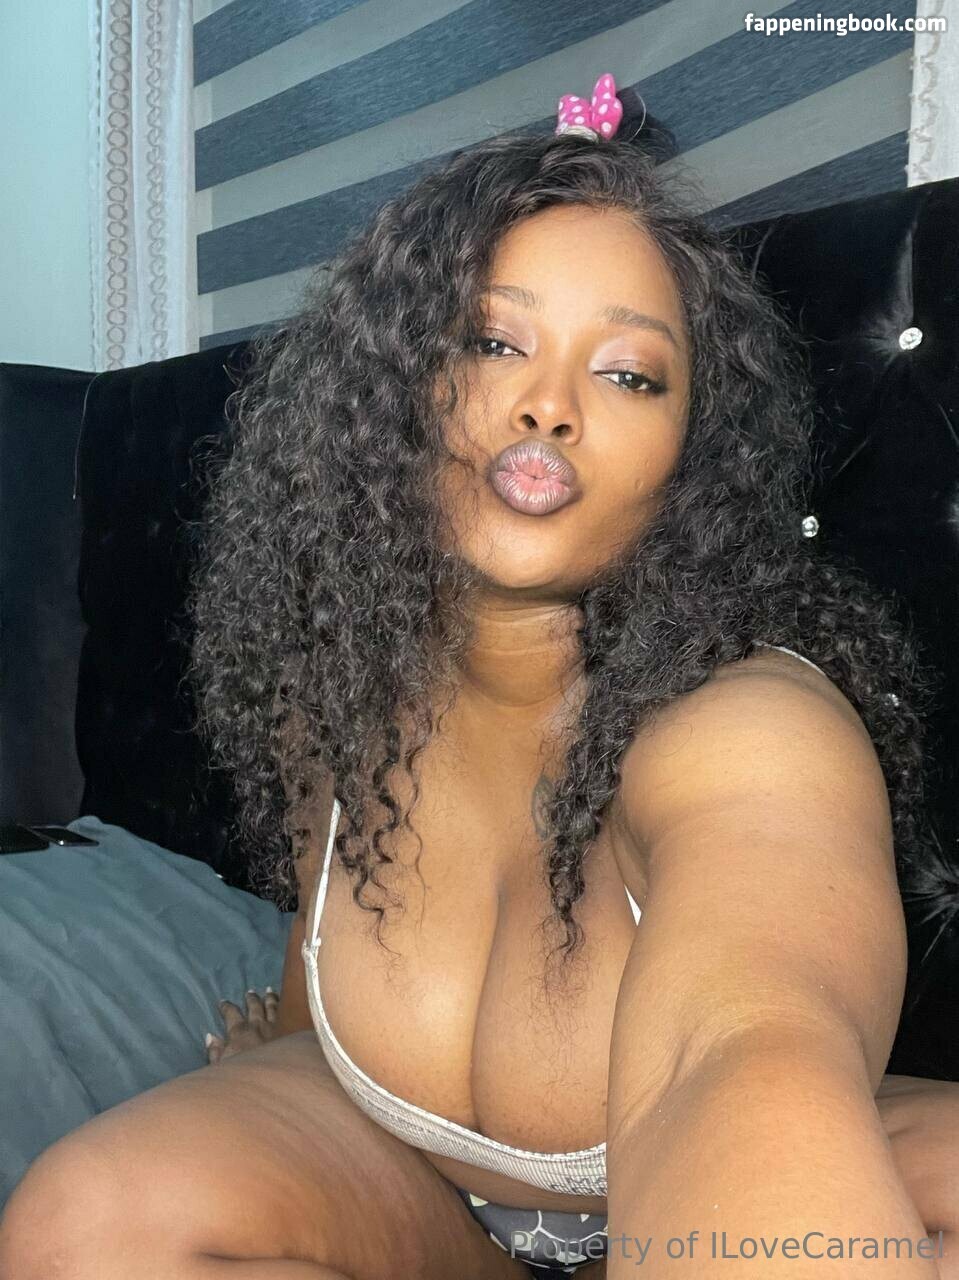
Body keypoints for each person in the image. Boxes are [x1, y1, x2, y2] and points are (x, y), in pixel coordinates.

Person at [2, 72, 958, 1280]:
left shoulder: (744, 725)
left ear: (690, 459)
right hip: (427, 1197)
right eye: (493, 340)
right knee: (84, 1225)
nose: (547, 405)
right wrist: (284, 1043)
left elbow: (739, 1051)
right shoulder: (335, 698)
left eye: (628, 373)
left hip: (677, 1204)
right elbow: (336, 929)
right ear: (390, 391)